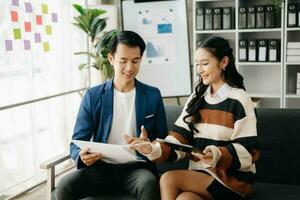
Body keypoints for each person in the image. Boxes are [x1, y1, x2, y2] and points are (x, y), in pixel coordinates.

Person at [127, 36, 260, 200]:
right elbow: (179, 138)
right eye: (197, 64)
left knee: (168, 178)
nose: (200, 70)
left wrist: (216, 154)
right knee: (185, 199)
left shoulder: (239, 99)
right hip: (200, 177)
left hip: (232, 181)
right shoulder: (196, 99)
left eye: (205, 64)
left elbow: (249, 150)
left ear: (224, 62)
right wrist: (152, 149)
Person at [54, 30, 168, 200]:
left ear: (140, 60)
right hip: (100, 169)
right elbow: (76, 142)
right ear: (111, 59)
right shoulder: (93, 96)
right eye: (123, 61)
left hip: (136, 169)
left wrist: (150, 145)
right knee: (64, 186)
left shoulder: (153, 95)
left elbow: (163, 140)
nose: (129, 68)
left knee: (148, 183)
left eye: (135, 61)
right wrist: (82, 156)